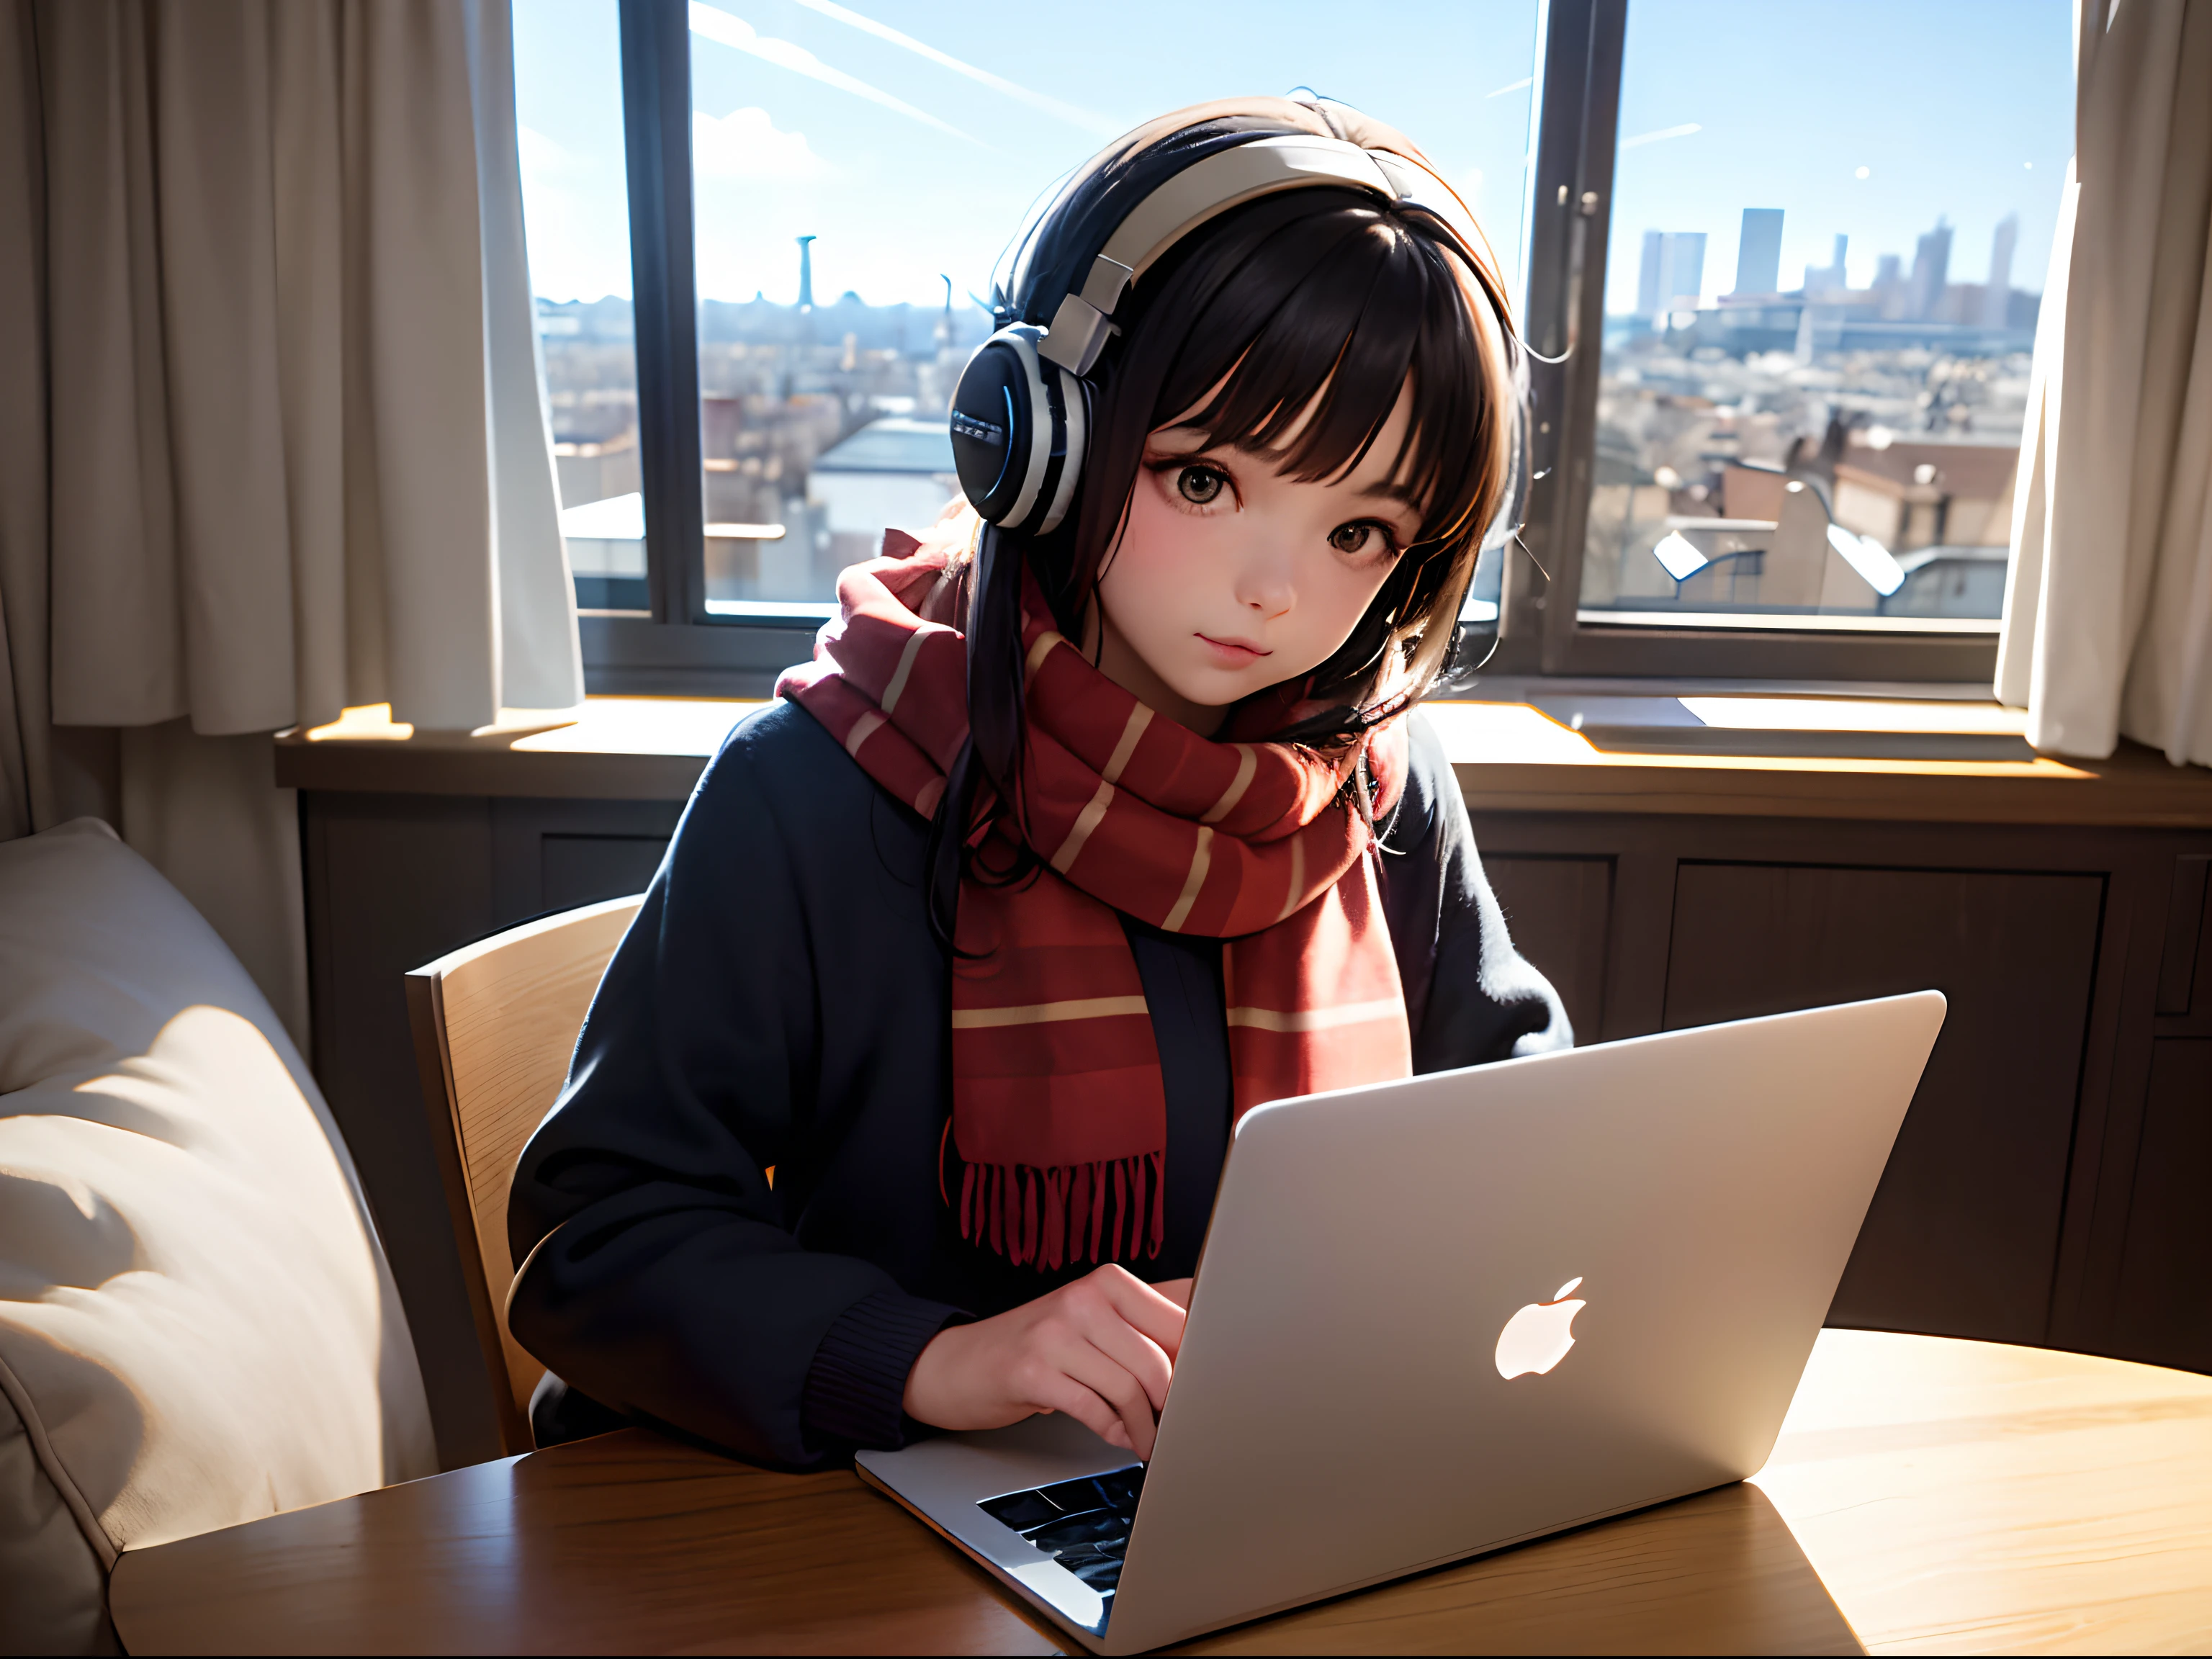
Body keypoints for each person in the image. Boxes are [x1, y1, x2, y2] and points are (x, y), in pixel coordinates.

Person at [506, 95, 1570, 1472]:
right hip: (869, 1526)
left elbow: (1525, 1135)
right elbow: (600, 1242)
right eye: (1203, 479)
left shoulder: (1377, 786)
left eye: (1359, 528)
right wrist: (943, 1360)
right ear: (1034, 438)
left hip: (1263, 1485)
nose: (1274, 590)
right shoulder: (820, 787)